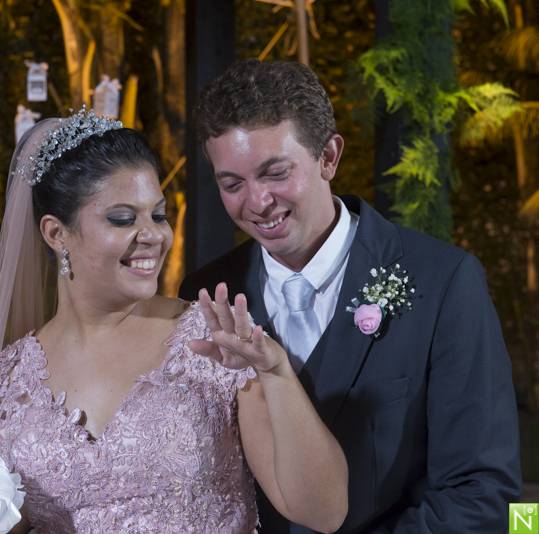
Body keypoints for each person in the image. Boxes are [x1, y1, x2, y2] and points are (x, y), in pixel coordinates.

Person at [178, 58, 522, 534]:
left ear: (329, 157)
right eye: (232, 184)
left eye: (276, 173)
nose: (256, 203)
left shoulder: (444, 281)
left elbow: (482, 494)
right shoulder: (203, 296)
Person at [0, 108, 349, 534]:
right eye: (122, 218)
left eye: (157, 214)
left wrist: (276, 371)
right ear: (57, 234)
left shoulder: (216, 342)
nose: (154, 235)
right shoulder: (9, 381)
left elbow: (324, 511)